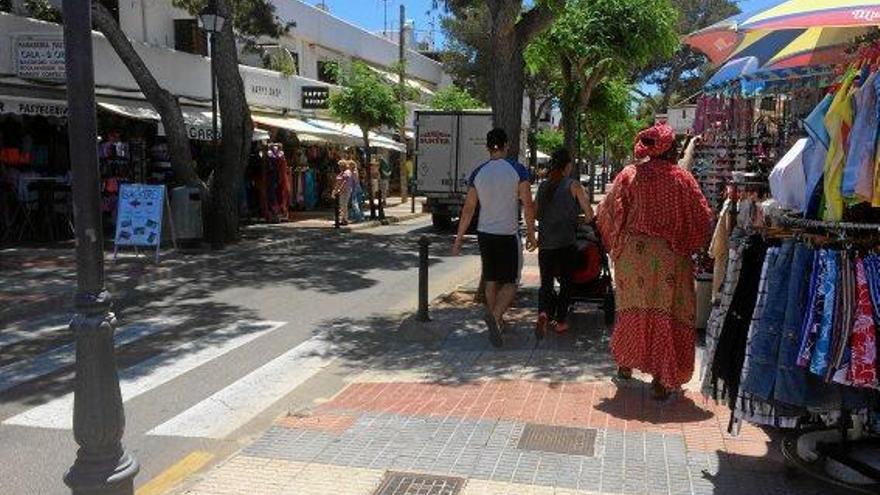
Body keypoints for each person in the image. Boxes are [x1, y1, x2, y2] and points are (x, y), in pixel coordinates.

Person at [596, 122, 712, 400]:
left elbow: (607, 210)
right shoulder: (682, 179)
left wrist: (617, 241)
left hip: (633, 258)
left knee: (632, 309)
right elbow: (703, 216)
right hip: (670, 258)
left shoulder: (629, 175)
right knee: (667, 313)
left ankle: (625, 365)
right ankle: (661, 380)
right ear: (671, 148)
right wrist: (685, 239)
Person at [452, 128, 537, 348]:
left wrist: (459, 237)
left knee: (491, 279)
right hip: (508, 234)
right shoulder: (517, 170)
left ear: (487, 147)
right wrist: (531, 233)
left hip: (484, 233)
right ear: (507, 145)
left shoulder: (478, 172)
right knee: (511, 281)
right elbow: (527, 203)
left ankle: (495, 318)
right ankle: (496, 315)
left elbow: (469, 209)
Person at [534, 148, 595, 339]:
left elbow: (535, 213)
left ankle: (543, 312)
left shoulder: (543, 186)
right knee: (567, 282)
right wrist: (579, 220)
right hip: (566, 242)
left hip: (545, 243)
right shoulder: (573, 185)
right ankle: (560, 321)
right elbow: (589, 213)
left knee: (546, 282)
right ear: (567, 166)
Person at [332, 160, 352, 226]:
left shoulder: (347, 172)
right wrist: (335, 189)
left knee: (344, 205)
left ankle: (345, 220)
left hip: (345, 191)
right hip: (341, 191)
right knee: (341, 205)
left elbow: (345, 181)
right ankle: (342, 219)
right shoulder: (342, 172)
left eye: (340, 166)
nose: (339, 167)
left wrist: (340, 189)